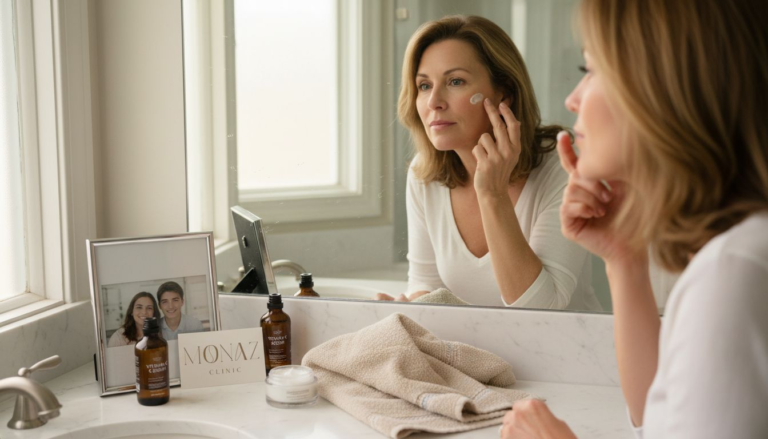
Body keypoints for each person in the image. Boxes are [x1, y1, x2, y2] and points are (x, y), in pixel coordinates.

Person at [501, 0, 768, 437]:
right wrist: (623, 261)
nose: (573, 98)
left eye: (591, 70)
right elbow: (659, 418)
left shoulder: (734, 271)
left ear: (664, 86)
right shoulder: (736, 252)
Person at [387, 15, 601, 310]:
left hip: (566, 354)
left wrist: (493, 194)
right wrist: (404, 308)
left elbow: (541, 309)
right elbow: (427, 286)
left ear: (505, 93)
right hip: (480, 355)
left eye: (455, 81)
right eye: (424, 86)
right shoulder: (425, 175)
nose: (434, 101)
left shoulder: (562, 167)